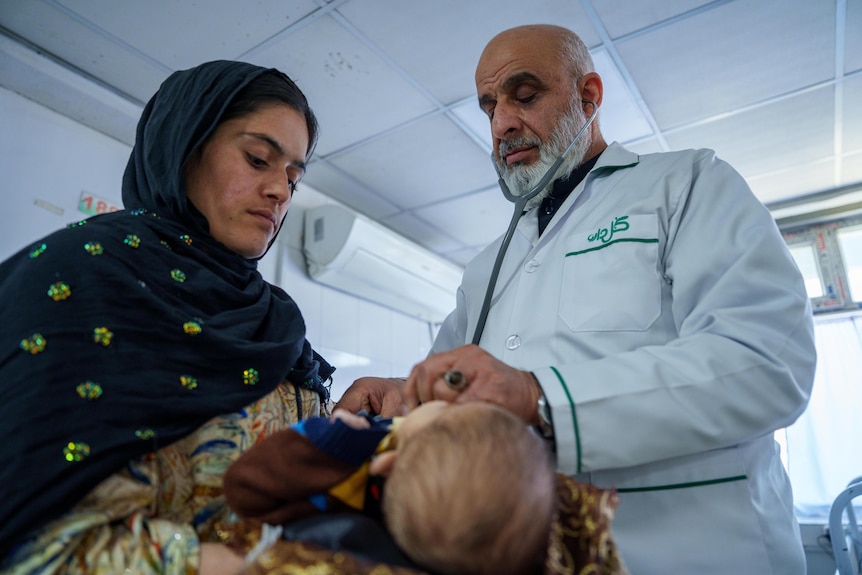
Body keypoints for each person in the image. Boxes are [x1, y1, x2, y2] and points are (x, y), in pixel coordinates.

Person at [336, 24, 817, 574]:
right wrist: (407, 392)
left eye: (524, 95)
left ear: (588, 97)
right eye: (489, 106)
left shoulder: (685, 184)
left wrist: (539, 396)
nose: (501, 124)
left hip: (694, 552)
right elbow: (458, 388)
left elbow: (768, 362)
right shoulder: (483, 269)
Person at [0, 60, 334, 575]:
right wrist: (206, 563)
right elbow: (28, 545)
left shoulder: (274, 321)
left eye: (294, 176)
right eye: (257, 159)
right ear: (185, 146)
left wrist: (349, 431)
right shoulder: (77, 279)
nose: (282, 191)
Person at [224, 401, 558, 575]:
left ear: (386, 466)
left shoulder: (337, 505)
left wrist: (334, 447)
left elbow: (243, 488)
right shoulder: (444, 542)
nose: (444, 402)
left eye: (445, 413)